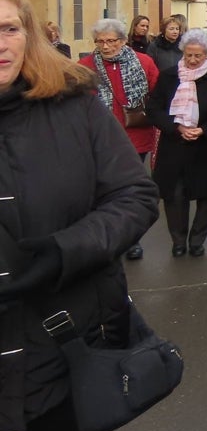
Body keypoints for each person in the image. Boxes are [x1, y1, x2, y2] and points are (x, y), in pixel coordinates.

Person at [0, 0, 159, 431]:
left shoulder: (75, 106)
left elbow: (135, 196)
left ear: (29, 34)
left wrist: (67, 248)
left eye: (9, 28)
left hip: (62, 345)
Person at [145, 28, 207, 257]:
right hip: (174, 145)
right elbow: (153, 108)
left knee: (206, 196)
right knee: (174, 196)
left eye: (198, 55)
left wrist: (204, 130)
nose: (193, 60)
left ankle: (197, 240)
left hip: (206, 146)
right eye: (188, 55)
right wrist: (176, 128)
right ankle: (178, 241)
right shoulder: (168, 76)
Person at [79, 18, 159, 261]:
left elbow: (156, 93)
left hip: (136, 136)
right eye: (100, 41)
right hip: (99, 139)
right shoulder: (85, 66)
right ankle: (108, 239)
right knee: (104, 192)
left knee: (128, 192)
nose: (105, 46)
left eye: (111, 41)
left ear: (123, 41)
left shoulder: (144, 62)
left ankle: (131, 240)